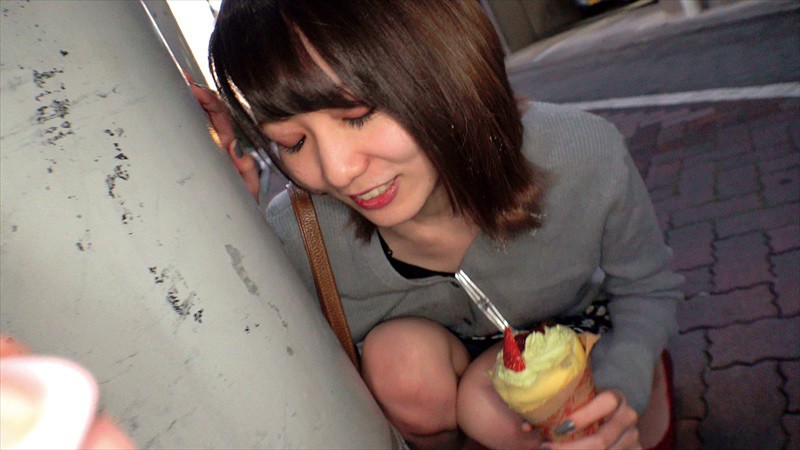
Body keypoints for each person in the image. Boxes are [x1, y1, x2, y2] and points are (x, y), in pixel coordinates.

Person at [197, 1, 683, 448]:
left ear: (445, 67)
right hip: (462, 367)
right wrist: (228, 221)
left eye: (358, 114)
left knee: (494, 407)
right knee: (402, 365)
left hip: (586, 340)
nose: (338, 170)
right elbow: (238, 352)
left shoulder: (578, 155)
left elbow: (648, 288)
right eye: (293, 142)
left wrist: (619, 388)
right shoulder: (300, 234)